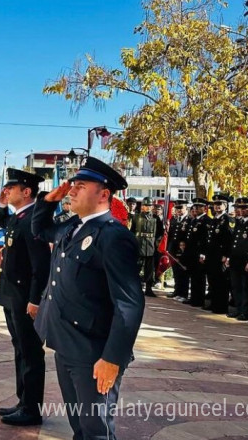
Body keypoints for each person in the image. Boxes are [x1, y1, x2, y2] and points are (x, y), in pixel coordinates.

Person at [31, 157, 144, 440]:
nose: (71, 190)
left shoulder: (114, 236)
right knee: (80, 426)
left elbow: (128, 303)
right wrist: (47, 202)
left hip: (94, 351)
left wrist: (112, 358)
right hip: (66, 342)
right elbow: (40, 230)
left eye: (80, 186)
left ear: (104, 194)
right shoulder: (73, 226)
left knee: (96, 431)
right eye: (73, 185)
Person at [0, 169, 51, 426]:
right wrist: (0, 204)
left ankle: (32, 409)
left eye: (11, 188)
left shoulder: (33, 221)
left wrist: (36, 299)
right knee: (20, 349)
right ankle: (23, 400)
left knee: (30, 352)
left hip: (25, 297)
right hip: (11, 295)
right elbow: (5, 224)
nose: (7, 191)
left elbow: (41, 265)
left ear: (26, 191)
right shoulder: (20, 217)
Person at [229, 198, 248, 320]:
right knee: (236, 286)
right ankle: (239, 308)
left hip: (246, 261)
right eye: (239, 208)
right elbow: (234, 242)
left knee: (246, 287)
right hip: (236, 259)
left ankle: (247, 311)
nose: (240, 210)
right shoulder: (240, 221)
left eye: (244, 208)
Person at [204, 195, 233, 314]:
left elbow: (229, 239)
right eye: (215, 204)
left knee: (221, 282)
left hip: (221, 255)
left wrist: (226, 255)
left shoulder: (228, 220)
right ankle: (214, 303)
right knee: (213, 280)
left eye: (219, 204)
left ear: (225, 206)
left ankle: (221, 306)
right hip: (212, 255)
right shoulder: (214, 219)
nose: (216, 206)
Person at [183, 198, 209, 307]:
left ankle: (199, 299)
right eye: (195, 207)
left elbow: (205, 239)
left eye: (199, 207)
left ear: (205, 208)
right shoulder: (194, 220)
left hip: (199, 254)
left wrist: (203, 254)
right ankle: (193, 298)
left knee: (199, 278)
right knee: (193, 277)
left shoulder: (206, 220)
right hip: (192, 253)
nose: (196, 209)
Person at [132, 197, 160, 297]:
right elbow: (132, 231)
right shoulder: (136, 217)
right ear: (142, 206)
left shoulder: (156, 218)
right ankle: (135, 288)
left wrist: (156, 242)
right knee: (137, 267)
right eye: (145, 205)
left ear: (152, 207)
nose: (147, 207)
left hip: (151, 246)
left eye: (149, 206)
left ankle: (149, 289)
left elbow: (160, 233)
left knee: (149, 269)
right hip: (139, 244)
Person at [167, 200, 190, 299]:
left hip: (183, 250)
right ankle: (177, 291)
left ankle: (183, 293)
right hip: (174, 249)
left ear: (186, 208)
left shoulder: (188, 220)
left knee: (183, 272)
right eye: (177, 208)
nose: (179, 210)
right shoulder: (174, 219)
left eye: (181, 208)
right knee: (176, 272)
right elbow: (171, 235)